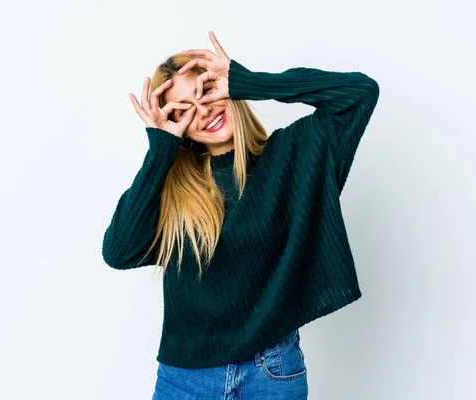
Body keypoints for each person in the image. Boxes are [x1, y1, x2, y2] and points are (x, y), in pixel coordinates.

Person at [102, 31, 380, 399]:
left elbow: (360, 93)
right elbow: (118, 252)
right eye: (183, 110)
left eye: (207, 91)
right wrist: (160, 149)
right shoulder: (175, 191)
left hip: (272, 372)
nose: (203, 111)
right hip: (185, 379)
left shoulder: (295, 156)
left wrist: (248, 82)